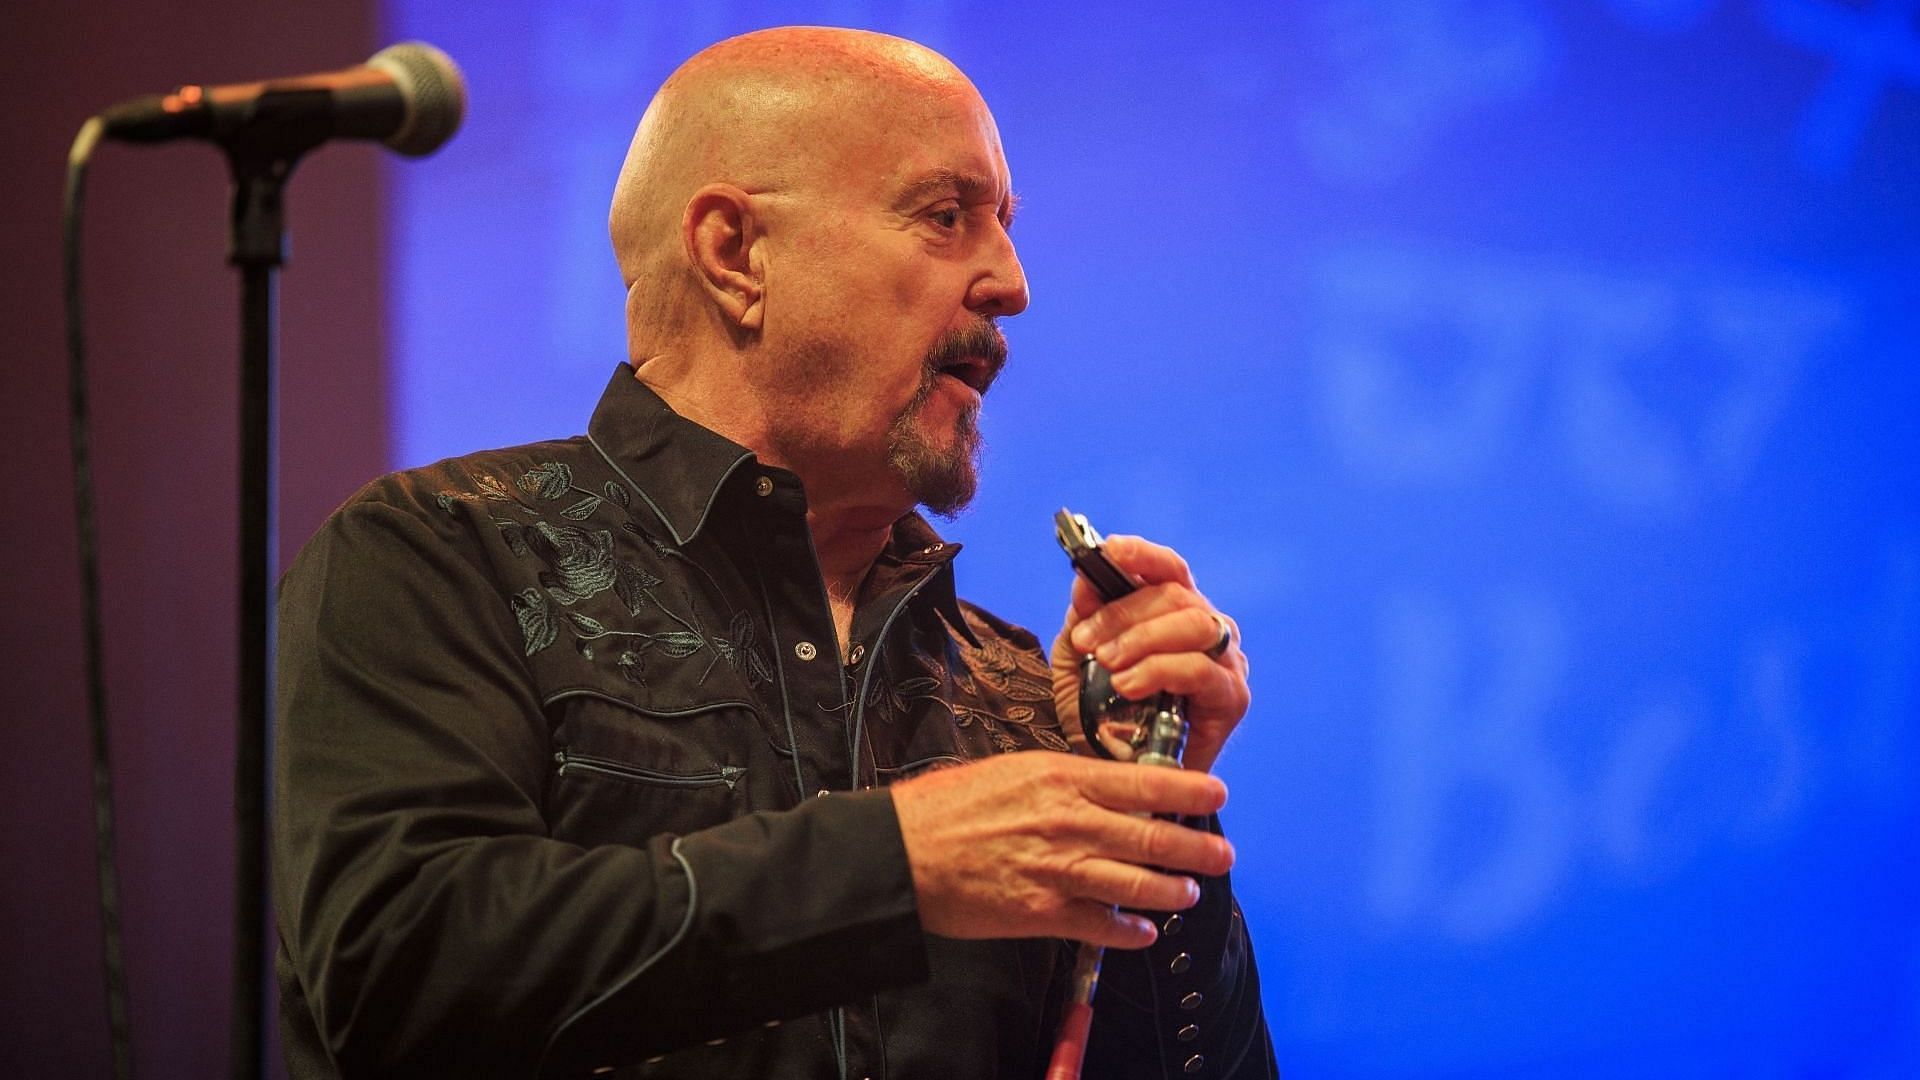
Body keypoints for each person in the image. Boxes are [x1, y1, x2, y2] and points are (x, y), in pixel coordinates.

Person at [274, 26, 1275, 1079]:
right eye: (947, 217)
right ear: (733, 254)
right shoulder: (443, 555)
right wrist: (895, 865)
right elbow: (396, 977)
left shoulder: (1021, 691)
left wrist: (1151, 800)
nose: (1012, 283)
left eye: (1006, 228)